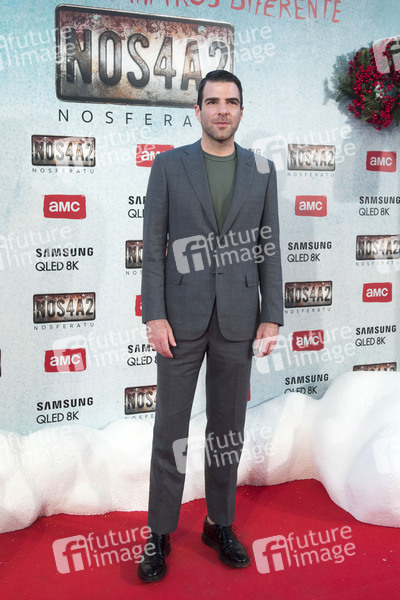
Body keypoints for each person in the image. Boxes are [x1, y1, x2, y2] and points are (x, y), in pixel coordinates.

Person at [138, 70, 283, 582]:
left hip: (239, 319)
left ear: (241, 110)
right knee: (170, 431)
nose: (223, 109)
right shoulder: (168, 166)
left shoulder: (262, 169)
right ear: (197, 109)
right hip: (179, 320)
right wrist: (154, 314)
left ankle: (219, 523)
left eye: (232, 102)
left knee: (228, 431)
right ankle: (159, 532)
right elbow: (152, 247)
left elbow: (269, 246)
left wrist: (271, 314)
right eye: (213, 101)